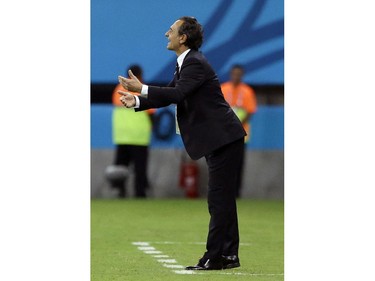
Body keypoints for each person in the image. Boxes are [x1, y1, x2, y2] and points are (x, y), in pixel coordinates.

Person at [118, 17, 246, 270]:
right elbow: (169, 93)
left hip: (223, 138)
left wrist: (141, 88)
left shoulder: (194, 63)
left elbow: (176, 94)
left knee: (218, 199)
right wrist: (138, 101)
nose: (167, 34)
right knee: (223, 200)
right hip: (220, 138)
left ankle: (216, 256)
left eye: (172, 30)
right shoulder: (187, 63)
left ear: (183, 38)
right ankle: (228, 255)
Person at [108, 65, 155, 198]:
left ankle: (119, 192)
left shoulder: (117, 90)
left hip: (122, 136)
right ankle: (140, 194)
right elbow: (151, 113)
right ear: (139, 75)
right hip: (139, 137)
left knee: (120, 168)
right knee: (140, 169)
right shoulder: (141, 89)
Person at [221, 65, 257, 197]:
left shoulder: (247, 91)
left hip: (241, 133)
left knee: (238, 163)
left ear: (242, 75)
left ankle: (236, 192)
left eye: (239, 74)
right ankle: (223, 190)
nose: (236, 76)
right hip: (224, 133)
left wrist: (237, 124)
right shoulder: (223, 88)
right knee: (223, 162)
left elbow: (250, 111)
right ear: (231, 74)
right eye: (234, 74)